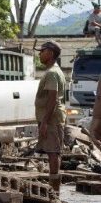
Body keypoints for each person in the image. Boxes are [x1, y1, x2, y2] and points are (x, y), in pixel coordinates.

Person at [35, 40, 66, 193]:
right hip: (51, 118)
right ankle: (54, 190)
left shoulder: (53, 73)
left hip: (52, 119)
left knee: (53, 152)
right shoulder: (52, 71)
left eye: (42, 50)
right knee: (52, 152)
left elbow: (52, 98)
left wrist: (45, 122)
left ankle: (55, 192)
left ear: (51, 53)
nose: (40, 53)